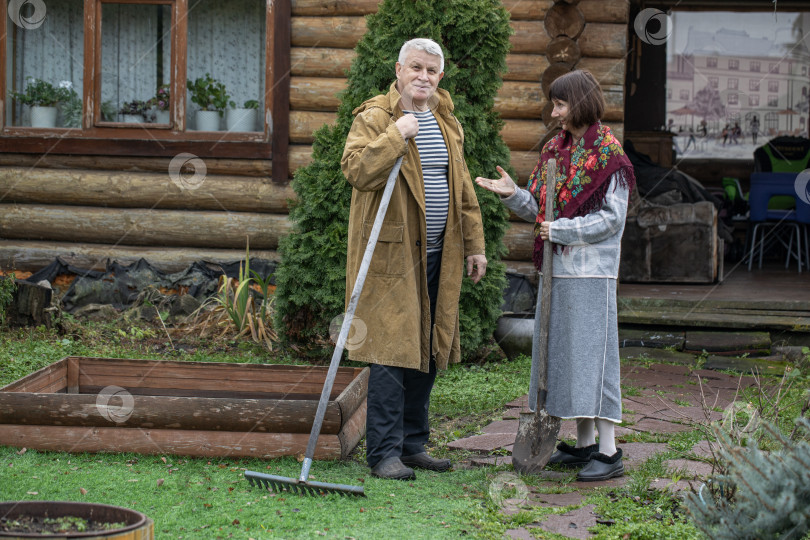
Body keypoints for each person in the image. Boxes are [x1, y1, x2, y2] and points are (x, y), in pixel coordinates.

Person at [475, 69, 635, 482]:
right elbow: (542, 214)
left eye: (560, 104)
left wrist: (561, 230)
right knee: (565, 358)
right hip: (556, 272)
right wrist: (514, 195)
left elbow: (612, 220)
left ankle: (609, 452)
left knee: (593, 360)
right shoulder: (554, 152)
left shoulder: (609, 156)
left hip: (591, 275)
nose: (554, 112)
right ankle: (583, 447)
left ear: (579, 103)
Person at [341, 38, 488, 480]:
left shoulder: (446, 120)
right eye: (416, 68)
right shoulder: (375, 117)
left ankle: (411, 444)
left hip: (441, 252)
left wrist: (476, 243)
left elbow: (461, 187)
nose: (423, 76)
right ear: (399, 70)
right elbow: (356, 171)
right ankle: (383, 453)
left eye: (431, 71)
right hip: (392, 255)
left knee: (427, 345)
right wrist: (395, 136)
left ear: (440, 77)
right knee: (389, 349)